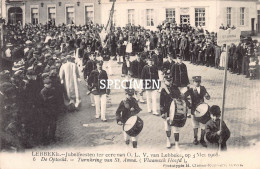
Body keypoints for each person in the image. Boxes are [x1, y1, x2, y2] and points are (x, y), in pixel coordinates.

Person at [160, 72, 188, 149]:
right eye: (167, 81)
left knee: (176, 128)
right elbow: (161, 103)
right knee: (167, 127)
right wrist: (162, 113)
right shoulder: (163, 90)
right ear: (164, 81)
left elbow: (180, 98)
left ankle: (176, 144)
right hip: (167, 111)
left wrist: (182, 96)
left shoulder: (175, 88)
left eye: (170, 80)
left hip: (175, 110)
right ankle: (168, 140)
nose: (169, 82)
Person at [185, 76, 210, 147]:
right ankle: (195, 138)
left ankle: (202, 139)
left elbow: (208, 97)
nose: (198, 83)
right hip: (194, 110)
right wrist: (188, 104)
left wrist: (207, 96)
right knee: (195, 126)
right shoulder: (190, 89)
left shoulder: (203, 88)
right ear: (193, 82)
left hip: (203, 110)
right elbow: (184, 97)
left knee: (203, 126)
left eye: (199, 81)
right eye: (196, 82)